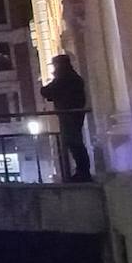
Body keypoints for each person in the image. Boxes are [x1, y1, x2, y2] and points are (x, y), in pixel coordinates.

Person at [41, 54, 93, 182]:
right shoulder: (73, 77)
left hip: (69, 114)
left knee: (73, 142)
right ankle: (81, 171)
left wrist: (49, 87)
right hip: (73, 114)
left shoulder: (64, 77)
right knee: (74, 142)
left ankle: (82, 172)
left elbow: (47, 91)